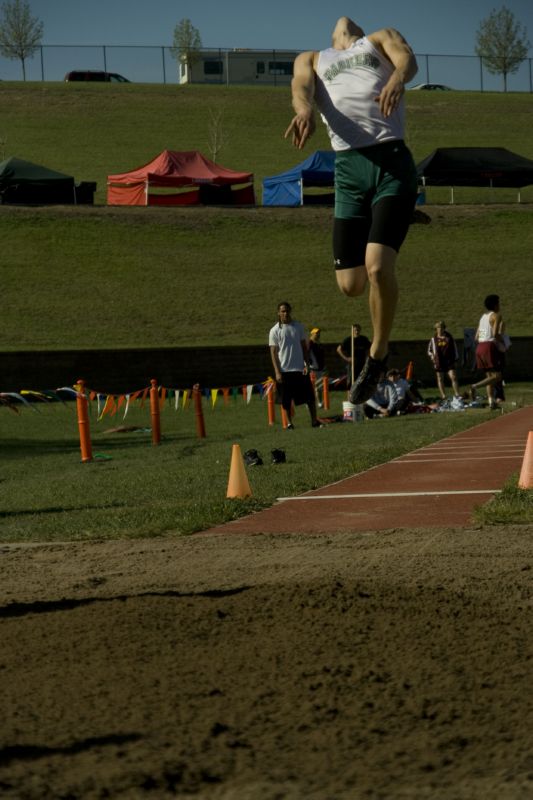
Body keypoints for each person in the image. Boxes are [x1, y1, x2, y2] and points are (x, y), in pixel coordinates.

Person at [285, 16, 419, 406]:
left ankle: (377, 353)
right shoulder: (312, 58)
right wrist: (305, 110)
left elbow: (406, 58)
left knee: (378, 267)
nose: (344, 18)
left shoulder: (377, 40)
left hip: (391, 162)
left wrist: (397, 78)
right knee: (351, 285)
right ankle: (394, 214)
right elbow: (300, 88)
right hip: (348, 172)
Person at [269, 301, 322, 428]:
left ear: (290, 311)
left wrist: (306, 364)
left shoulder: (298, 327)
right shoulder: (275, 330)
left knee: (309, 397)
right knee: (286, 400)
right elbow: (273, 353)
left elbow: (304, 347)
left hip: (300, 369)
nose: (285, 313)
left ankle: (314, 421)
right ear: (278, 313)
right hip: (284, 370)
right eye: (282, 311)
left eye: (287, 310)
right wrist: (277, 372)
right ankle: (289, 423)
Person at [470, 294, 505, 410]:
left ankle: (491, 402)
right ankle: (475, 386)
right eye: (498, 303)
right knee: (497, 376)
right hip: (489, 346)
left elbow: (476, 337)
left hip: (480, 347)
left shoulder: (483, 317)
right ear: (495, 305)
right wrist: (502, 342)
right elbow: (495, 334)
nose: (499, 305)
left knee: (489, 377)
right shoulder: (496, 316)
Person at [427, 321, 461, 400]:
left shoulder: (449, 338)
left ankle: (457, 394)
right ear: (436, 329)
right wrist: (432, 356)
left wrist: (456, 359)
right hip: (439, 361)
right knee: (440, 378)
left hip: (449, 361)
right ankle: (443, 395)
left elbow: (455, 348)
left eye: (442, 327)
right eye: (438, 328)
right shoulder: (433, 339)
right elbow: (429, 350)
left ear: (444, 328)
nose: (440, 329)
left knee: (453, 377)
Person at [336, 323, 371, 389]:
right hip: (352, 364)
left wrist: (368, 357)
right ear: (352, 331)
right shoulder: (348, 340)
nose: (356, 332)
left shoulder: (364, 339)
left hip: (362, 363)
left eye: (358, 330)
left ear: (360, 330)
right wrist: (346, 358)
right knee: (350, 381)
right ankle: (349, 397)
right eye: (355, 330)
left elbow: (370, 348)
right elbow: (338, 349)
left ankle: (359, 396)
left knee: (362, 380)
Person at [308, 327, 326, 406]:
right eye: (316, 333)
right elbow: (305, 354)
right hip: (312, 369)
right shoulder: (309, 343)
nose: (318, 335)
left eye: (318, 333)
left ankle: (319, 402)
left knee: (319, 387)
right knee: (314, 387)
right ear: (312, 334)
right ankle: (312, 402)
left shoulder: (319, 344)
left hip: (320, 368)